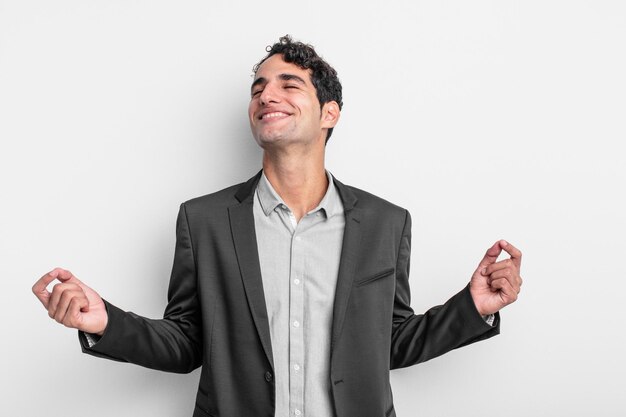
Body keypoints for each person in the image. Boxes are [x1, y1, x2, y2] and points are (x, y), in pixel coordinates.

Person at [32, 35, 522, 417]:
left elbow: (386, 344)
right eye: (258, 88)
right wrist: (104, 323)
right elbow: (187, 342)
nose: (268, 94)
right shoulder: (204, 220)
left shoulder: (385, 223)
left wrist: (472, 308)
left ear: (330, 112)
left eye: (289, 84)